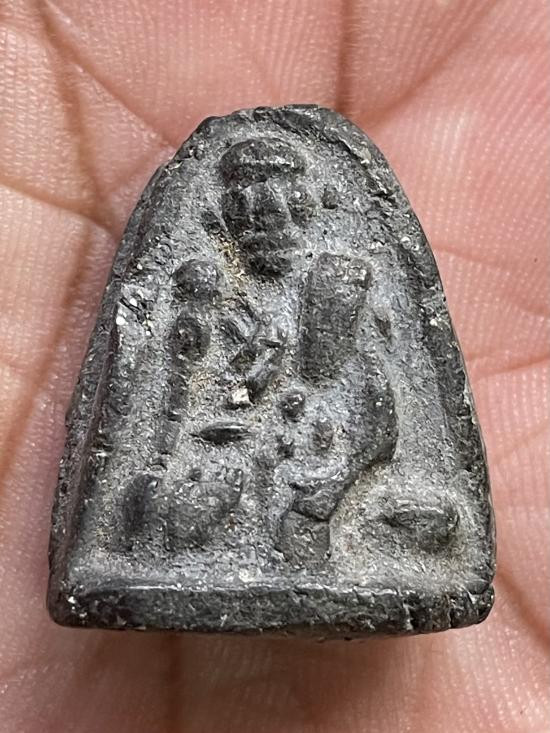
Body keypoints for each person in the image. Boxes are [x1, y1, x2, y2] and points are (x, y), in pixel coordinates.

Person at [0, 1, 548, 731]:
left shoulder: (342, 294)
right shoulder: (207, 298)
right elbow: (167, 415)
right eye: (248, 212)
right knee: (155, 509)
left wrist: (321, 484)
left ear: (307, 210)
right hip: (225, 477)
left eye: (282, 210)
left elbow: (374, 415)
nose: (267, 224)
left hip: (320, 478)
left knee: (432, 522)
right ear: (225, 221)